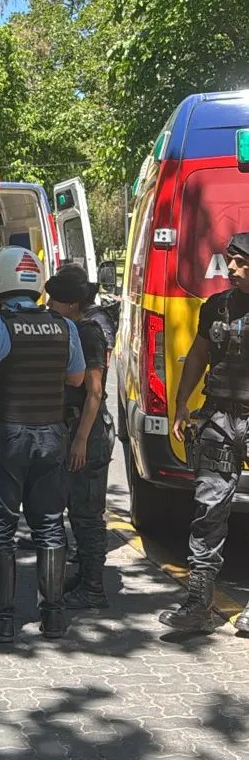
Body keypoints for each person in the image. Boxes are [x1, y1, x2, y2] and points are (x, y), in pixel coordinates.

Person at [0, 246, 85, 642]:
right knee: (49, 525)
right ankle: (55, 617)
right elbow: (76, 380)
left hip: (4, 438)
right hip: (51, 437)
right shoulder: (64, 326)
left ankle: (2, 618)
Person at [159, 233, 249, 634]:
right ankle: (199, 604)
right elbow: (197, 354)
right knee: (209, 509)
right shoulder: (216, 306)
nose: (230, 268)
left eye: (240, 261)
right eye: (230, 259)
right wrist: (181, 403)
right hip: (220, 419)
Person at [45, 265, 115, 609]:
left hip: (87, 432)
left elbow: (94, 393)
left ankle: (94, 588)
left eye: (55, 299)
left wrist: (81, 440)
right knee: (75, 510)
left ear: (73, 304)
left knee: (87, 514)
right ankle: (85, 575)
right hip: (72, 429)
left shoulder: (88, 333)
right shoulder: (69, 328)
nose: (49, 304)